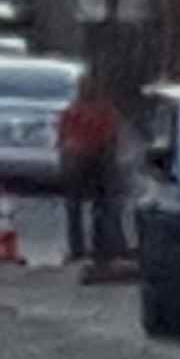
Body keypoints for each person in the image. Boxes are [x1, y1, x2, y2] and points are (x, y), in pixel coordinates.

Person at [54, 84, 123, 268]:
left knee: (75, 207)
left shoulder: (71, 112)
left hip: (77, 162)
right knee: (101, 206)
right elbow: (110, 139)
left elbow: (63, 141)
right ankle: (100, 248)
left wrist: (66, 160)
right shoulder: (105, 112)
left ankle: (78, 249)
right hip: (97, 161)